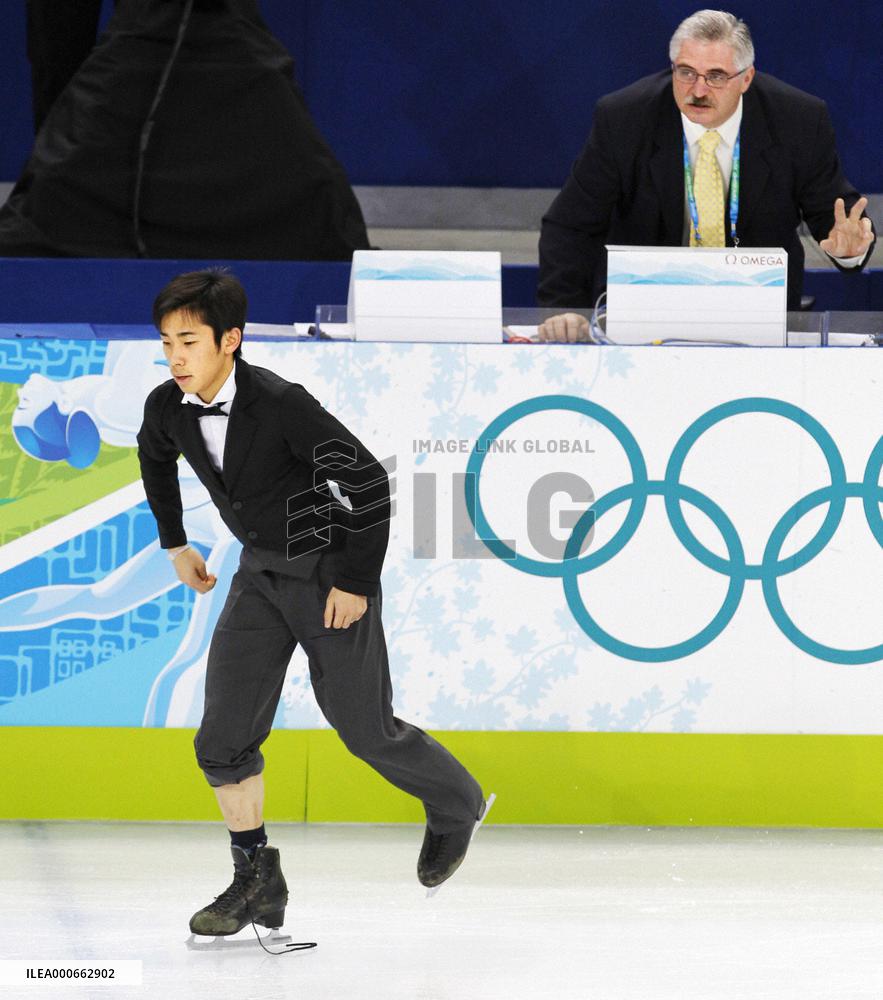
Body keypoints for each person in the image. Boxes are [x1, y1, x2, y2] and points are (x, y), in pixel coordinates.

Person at [137, 269, 488, 937]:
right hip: (259, 577)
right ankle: (256, 881)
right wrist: (174, 543)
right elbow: (153, 457)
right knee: (222, 738)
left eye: (188, 340)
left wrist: (355, 583)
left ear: (230, 340)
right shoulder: (166, 406)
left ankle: (455, 803)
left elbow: (367, 485)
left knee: (362, 728)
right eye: (166, 343)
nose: (176, 356)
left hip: (328, 572)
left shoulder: (280, 403)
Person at [536, 9, 875, 342]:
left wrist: (849, 249)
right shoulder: (624, 118)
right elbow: (571, 225)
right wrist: (565, 308)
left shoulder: (798, 120)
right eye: (686, 73)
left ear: (746, 78)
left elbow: (832, 216)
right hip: (642, 314)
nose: (698, 90)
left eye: (715, 76)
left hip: (756, 319)